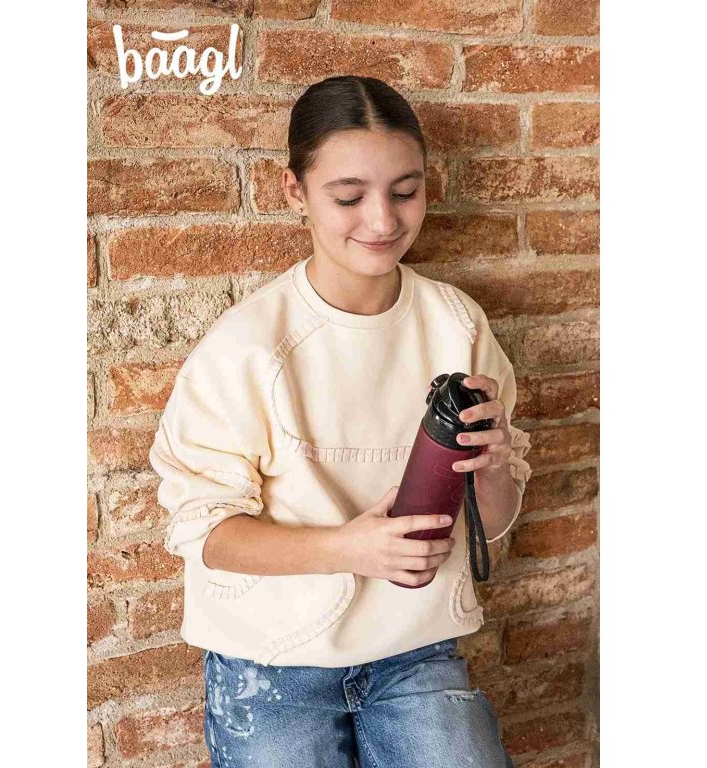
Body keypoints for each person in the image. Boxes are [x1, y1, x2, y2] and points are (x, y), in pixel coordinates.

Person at [149, 75, 532, 768]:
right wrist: (349, 549)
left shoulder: (457, 325)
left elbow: (494, 521)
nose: (382, 222)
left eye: (405, 191)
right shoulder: (247, 346)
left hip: (415, 650)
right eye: (349, 197)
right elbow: (207, 534)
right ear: (295, 192)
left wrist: (495, 464)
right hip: (271, 663)